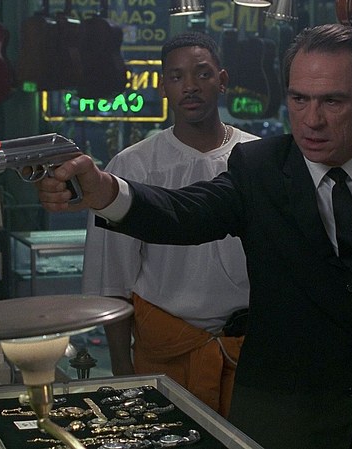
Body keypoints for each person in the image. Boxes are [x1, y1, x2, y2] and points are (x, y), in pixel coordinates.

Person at [37, 24, 352, 449]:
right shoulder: (258, 166)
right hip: (280, 413)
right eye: (299, 99)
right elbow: (184, 212)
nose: (312, 120)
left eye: (332, 101)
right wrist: (105, 191)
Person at [83, 31, 258, 417]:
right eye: (177, 77)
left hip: (249, 351)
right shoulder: (131, 167)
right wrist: (122, 370)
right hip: (165, 353)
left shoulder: (258, 159)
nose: (190, 86)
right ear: (163, 87)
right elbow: (113, 282)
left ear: (222, 80)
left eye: (202, 74)